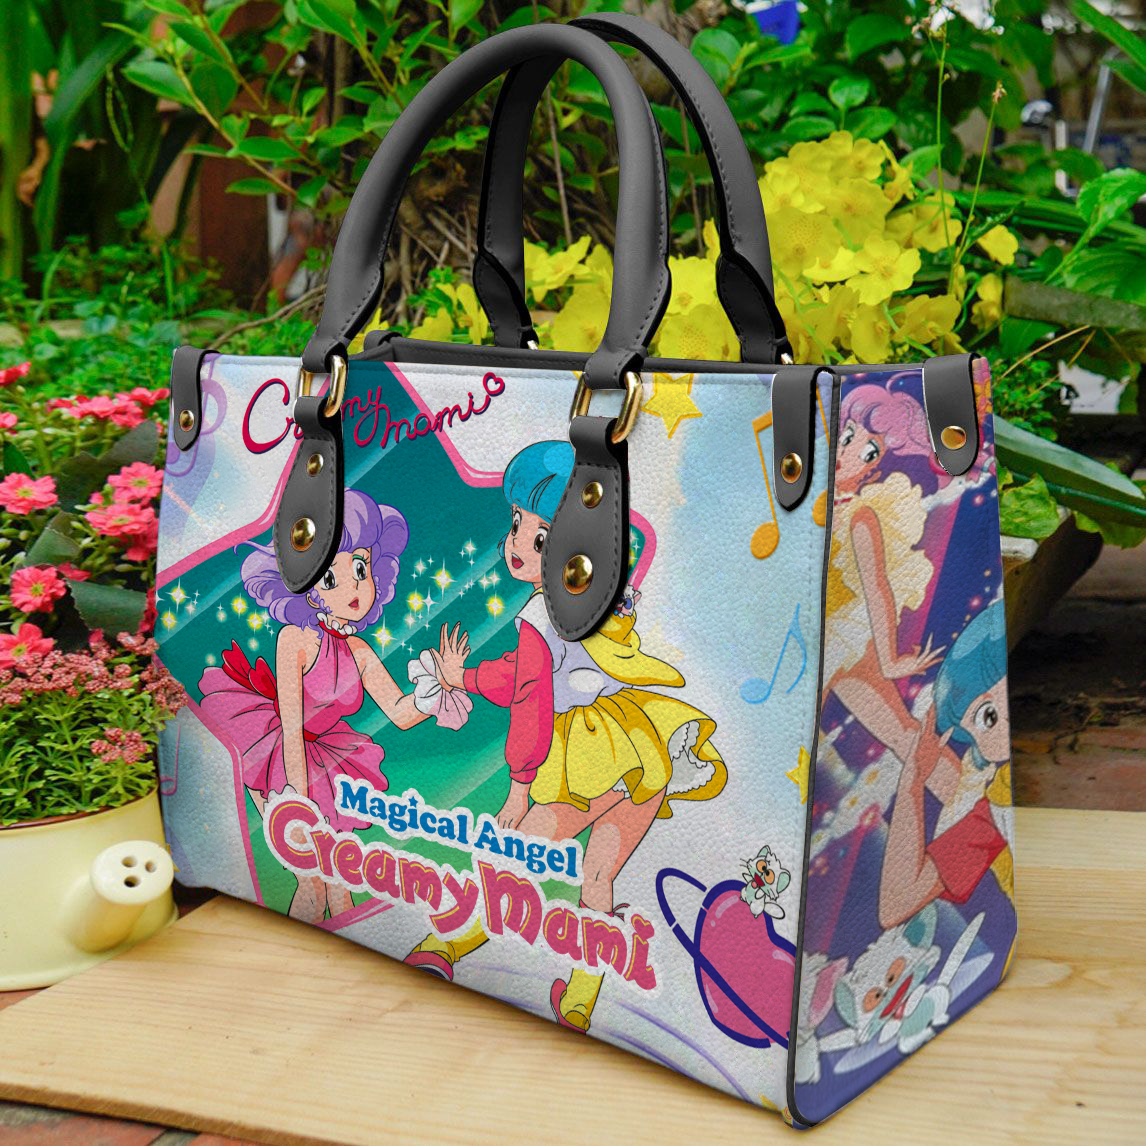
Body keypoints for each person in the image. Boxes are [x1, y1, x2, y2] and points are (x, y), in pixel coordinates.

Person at [405, 441, 725, 1033]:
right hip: (640, 750)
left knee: (513, 858)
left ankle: (442, 948)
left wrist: (518, 789)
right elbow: (526, 675)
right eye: (517, 525)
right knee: (598, 877)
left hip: (584, 758)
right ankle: (579, 1002)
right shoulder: (610, 598)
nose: (516, 544)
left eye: (539, 537)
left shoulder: (539, 614)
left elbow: (529, 695)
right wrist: (467, 677)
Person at [198, 490, 469, 925]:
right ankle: (289, 957)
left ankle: (352, 954)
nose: (353, 588)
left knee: (340, 881)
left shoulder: (358, 650)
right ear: (305, 586)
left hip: (329, 761)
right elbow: (290, 727)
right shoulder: (296, 640)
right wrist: (298, 803)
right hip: (277, 758)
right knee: (312, 880)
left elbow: (400, 713)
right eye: (329, 577)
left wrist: (437, 687)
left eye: (360, 568)